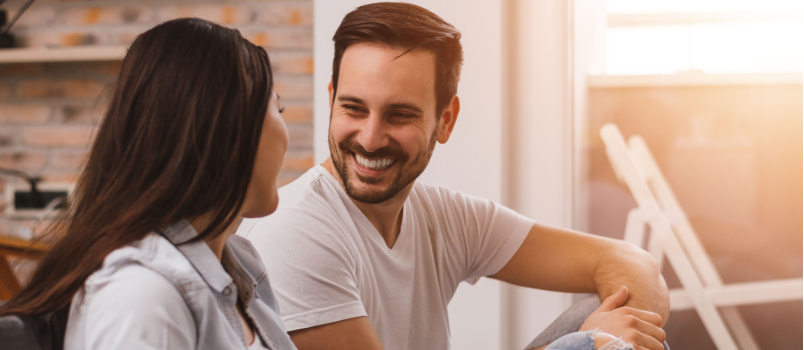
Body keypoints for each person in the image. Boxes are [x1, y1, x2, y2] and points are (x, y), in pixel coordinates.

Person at [237, 3, 669, 350]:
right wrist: (581, 346)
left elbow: (632, 264)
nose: (369, 138)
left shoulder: (443, 216)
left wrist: (616, 342)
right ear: (332, 100)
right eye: (354, 108)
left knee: (618, 317)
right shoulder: (293, 233)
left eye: (399, 115)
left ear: (446, 120)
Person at [0, 18, 296, 350]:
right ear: (228, 126)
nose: (287, 134)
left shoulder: (242, 263)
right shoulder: (143, 295)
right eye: (278, 108)